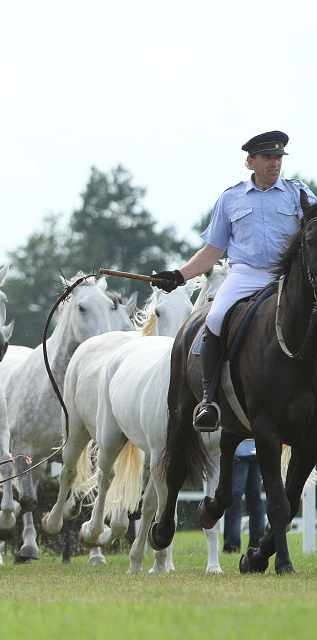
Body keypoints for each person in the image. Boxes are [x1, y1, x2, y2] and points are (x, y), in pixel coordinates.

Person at [152, 131, 317, 431]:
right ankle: (209, 401)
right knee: (214, 318)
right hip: (246, 274)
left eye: (278, 158)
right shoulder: (230, 198)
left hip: (288, 275)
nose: (274, 164)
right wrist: (178, 276)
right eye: (267, 158)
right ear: (250, 161)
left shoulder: (299, 194)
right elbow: (212, 251)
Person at [222, 439, 266, 553]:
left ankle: (231, 546)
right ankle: (257, 545)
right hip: (258, 451)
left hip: (239, 452)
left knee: (235, 499)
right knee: (256, 500)